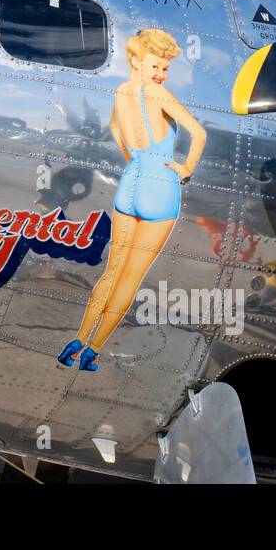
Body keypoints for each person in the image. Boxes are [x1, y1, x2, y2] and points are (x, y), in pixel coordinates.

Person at [57, 28, 206, 372]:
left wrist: (135, 159)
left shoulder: (121, 91)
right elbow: (199, 133)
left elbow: (115, 131)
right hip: (160, 187)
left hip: (132, 182)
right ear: (138, 60)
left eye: (165, 69)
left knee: (111, 272)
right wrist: (185, 169)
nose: (160, 74)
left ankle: (76, 340)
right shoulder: (159, 95)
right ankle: (92, 351)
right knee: (129, 279)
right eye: (156, 65)